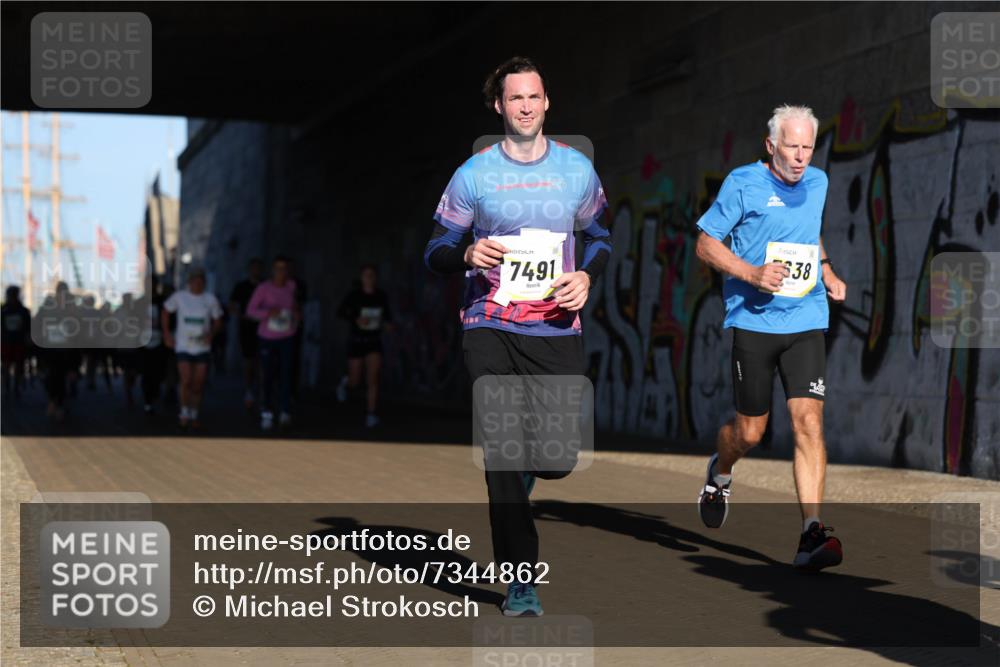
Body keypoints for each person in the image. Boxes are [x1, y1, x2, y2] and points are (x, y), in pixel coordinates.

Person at [423, 57, 611, 616]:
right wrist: (466, 254)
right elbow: (434, 250)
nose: (525, 106)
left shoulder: (577, 169)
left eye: (534, 97)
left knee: (556, 458)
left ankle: (524, 476)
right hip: (489, 324)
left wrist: (586, 276)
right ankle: (520, 581)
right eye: (514, 99)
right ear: (498, 106)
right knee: (504, 452)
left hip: (555, 325)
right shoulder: (474, 175)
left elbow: (600, 235)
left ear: (546, 102)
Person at [694, 104, 848, 572]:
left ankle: (811, 533)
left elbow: (809, 233)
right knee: (750, 432)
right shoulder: (744, 183)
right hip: (754, 324)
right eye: (792, 147)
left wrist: (825, 270)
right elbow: (705, 242)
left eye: (807, 147)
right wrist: (751, 273)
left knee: (808, 423)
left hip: (805, 319)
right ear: (771, 146)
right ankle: (719, 472)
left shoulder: (818, 183)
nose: (801, 157)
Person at [161, 267, 223, 428]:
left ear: (205, 282)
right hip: (183, 346)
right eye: (194, 281)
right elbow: (166, 311)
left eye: (201, 281)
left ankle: (195, 412)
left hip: (202, 347)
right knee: (186, 379)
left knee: (198, 383)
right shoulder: (180, 297)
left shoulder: (210, 299)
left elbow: (218, 321)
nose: (198, 284)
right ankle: (184, 411)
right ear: (189, 282)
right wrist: (167, 334)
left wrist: (211, 334)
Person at [246, 256, 300, 430]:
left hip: (287, 336)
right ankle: (266, 411)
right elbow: (251, 311)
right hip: (267, 338)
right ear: (272, 270)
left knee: (286, 373)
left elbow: (295, 307)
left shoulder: (291, 286)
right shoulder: (263, 288)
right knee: (267, 374)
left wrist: (296, 316)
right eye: (278, 268)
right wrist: (269, 313)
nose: (281, 272)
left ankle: (285, 411)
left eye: (284, 269)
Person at [336, 264, 392, 427]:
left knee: (373, 378)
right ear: (361, 278)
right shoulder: (354, 296)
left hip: (374, 341)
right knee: (355, 380)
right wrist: (356, 319)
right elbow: (340, 312)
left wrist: (388, 325)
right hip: (357, 340)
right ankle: (345, 383)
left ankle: (371, 413)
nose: (370, 278)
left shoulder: (381, 296)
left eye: (372, 275)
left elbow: (387, 317)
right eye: (367, 275)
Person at [229, 257, 264, 409]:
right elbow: (232, 305)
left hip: (266, 329)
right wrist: (243, 316)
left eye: (258, 267)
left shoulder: (265, 286)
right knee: (249, 360)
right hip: (247, 328)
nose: (256, 271)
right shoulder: (241, 287)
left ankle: (263, 390)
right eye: (253, 267)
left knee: (263, 361)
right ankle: (249, 389)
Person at [1, 285, 31, 398]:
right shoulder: (4, 310)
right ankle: (8, 386)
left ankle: (14, 387)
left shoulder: (22, 311)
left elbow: (28, 328)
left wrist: (28, 339)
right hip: (7, 342)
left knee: (17, 366)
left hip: (18, 342)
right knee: (7, 365)